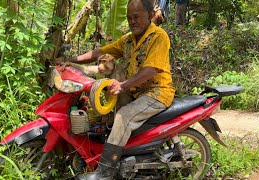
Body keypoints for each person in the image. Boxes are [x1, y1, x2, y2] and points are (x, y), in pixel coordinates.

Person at [57, 0, 175, 179]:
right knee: (100, 112)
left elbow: (151, 70)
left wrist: (123, 85)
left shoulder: (159, 37)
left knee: (123, 116)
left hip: (156, 93)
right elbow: (99, 52)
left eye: (136, 17)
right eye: (129, 18)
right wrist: (71, 60)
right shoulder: (127, 39)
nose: (132, 21)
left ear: (150, 16)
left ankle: (105, 172)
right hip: (135, 92)